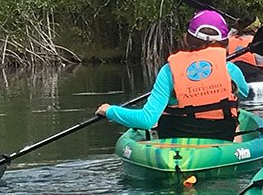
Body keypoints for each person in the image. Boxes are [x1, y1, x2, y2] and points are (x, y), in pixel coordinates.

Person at [96, 10, 251, 141]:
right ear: (224, 42)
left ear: (188, 38)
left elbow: (146, 120)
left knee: (159, 119)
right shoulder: (230, 69)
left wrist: (108, 110)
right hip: (221, 139)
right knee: (236, 121)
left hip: (175, 144)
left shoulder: (169, 71)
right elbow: (246, 93)